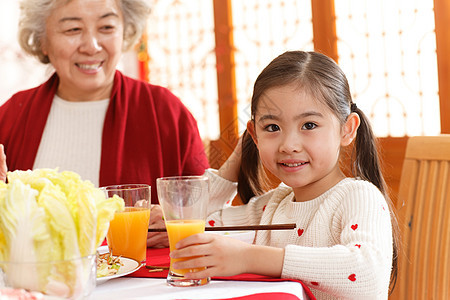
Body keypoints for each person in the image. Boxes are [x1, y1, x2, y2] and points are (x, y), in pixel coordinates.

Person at [168, 51, 399, 299]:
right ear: (254, 135)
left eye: (309, 125)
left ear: (347, 129)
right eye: (272, 128)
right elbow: (203, 220)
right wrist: (242, 153)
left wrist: (249, 258)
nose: (289, 145)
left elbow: (365, 272)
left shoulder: (358, 197)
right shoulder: (273, 205)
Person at [0, 0, 209, 248]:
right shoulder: (11, 116)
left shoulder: (166, 112)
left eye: (107, 27)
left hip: (141, 282)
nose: (92, 46)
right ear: (43, 40)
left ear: (126, 32)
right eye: (72, 30)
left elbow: (208, 214)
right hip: (31, 284)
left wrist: (176, 220)